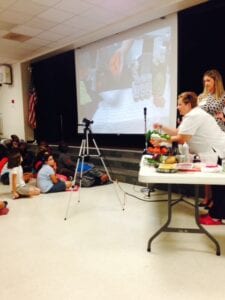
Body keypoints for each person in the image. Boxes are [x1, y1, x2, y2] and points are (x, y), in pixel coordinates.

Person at [153, 91, 225, 225]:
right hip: (215, 152)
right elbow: (179, 132)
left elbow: (181, 138)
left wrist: (161, 139)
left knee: (219, 187)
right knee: (217, 187)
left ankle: (216, 217)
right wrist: (162, 128)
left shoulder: (194, 115)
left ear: (188, 104)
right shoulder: (192, 115)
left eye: (180, 104)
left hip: (219, 151)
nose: (177, 107)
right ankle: (216, 215)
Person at [198, 69, 225, 207]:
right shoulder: (202, 97)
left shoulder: (223, 96)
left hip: (218, 135)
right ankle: (207, 197)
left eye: (208, 80)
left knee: (216, 168)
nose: (206, 83)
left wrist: (223, 117)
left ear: (216, 80)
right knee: (206, 167)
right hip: (204, 136)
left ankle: (216, 201)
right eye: (204, 81)